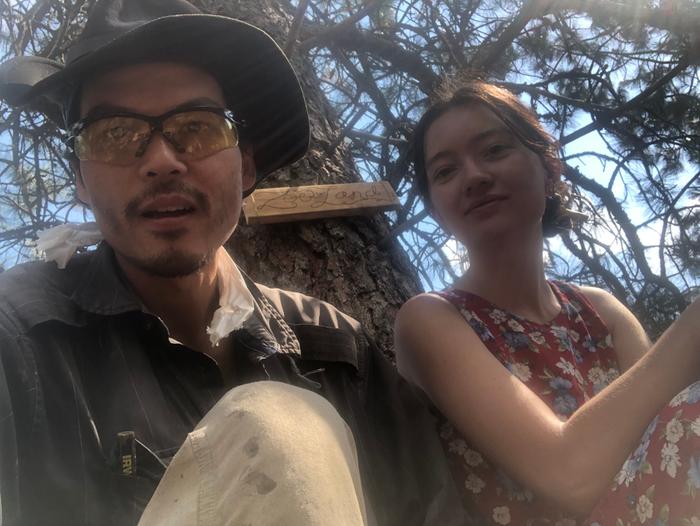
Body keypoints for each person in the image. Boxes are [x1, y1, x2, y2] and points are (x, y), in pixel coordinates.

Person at [0, 1, 471, 525]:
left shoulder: (339, 352)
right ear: (82, 182)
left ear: (246, 164)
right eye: (114, 134)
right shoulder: (20, 335)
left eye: (198, 127)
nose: (161, 161)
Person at [394, 78, 700, 525]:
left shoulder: (603, 314)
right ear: (436, 209)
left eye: (494, 150)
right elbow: (568, 476)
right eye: (445, 171)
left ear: (548, 168)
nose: (474, 177)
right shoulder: (430, 320)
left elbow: (662, 444)